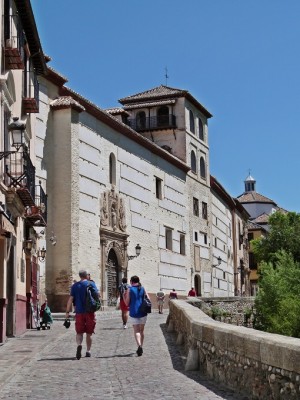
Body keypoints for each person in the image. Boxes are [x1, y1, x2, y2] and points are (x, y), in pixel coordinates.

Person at [65, 269, 99, 359]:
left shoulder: (75, 286)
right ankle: (88, 351)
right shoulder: (91, 284)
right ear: (86, 275)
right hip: (90, 312)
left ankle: (79, 345)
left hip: (79, 312)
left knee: (79, 332)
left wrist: (67, 312)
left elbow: (70, 300)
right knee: (89, 333)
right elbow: (97, 295)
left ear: (79, 276)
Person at [124, 275, 150, 356]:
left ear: (131, 281)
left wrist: (123, 296)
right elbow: (148, 299)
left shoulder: (129, 289)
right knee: (142, 331)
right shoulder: (142, 288)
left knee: (136, 331)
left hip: (133, 312)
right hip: (143, 312)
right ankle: (141, 346)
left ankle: (139, 345)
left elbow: (127, 303)